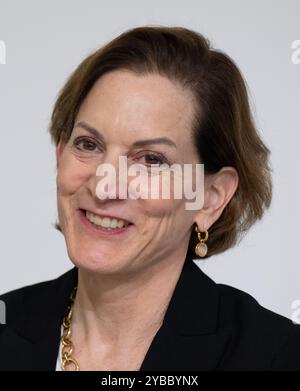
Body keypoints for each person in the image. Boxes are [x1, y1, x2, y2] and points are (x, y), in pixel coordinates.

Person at [1, 25, 299, 371]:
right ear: (61, 153)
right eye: (88, 144)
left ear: (210, 197)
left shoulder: (276, 357)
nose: (103, 186)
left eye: (151, 160)